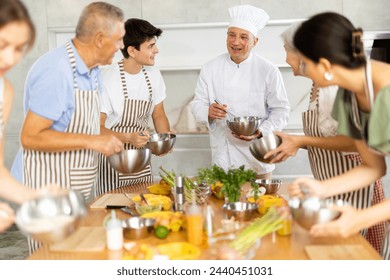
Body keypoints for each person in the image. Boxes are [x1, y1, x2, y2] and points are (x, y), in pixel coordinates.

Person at [10, 2, 124, 252]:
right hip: (47, 191)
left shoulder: (92, 71)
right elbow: (30, 137)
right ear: (99, 38)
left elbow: (86, 125)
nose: (121, 47)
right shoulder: (57, 71)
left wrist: (113, 139)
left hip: (74, 187)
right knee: (52, 262)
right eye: (118, 40)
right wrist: (92, 141)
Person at [264, 23, 385, 253]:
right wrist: (319, 189)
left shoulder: (381, 91)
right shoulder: (349, 95)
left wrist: (363, 218)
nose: (302, 70)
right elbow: (374, 167)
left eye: (306, 65)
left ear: (325, 64)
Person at [190, 5, 289, 178]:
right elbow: (198, 103)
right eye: (231, 35)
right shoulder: (210, 68)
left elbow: (281, 111)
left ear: (255, 41)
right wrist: (209, 112)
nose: (236, 42)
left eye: (243, 37)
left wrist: (261, 131)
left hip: (258, 158)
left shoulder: (268, 70)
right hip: (223, 160)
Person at [96, 18, 170, 196]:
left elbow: (158, 113)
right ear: (132, 50)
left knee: (145, 207)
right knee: (116, 213)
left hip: (141, 159)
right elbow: (96, 128)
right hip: (113, 161)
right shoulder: (107, 79)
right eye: (151, 46)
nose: (156, 50)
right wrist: (128, 137)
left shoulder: (153, 75)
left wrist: (164, 140)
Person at [0, 0, 48, 233]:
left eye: (19, 48)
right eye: (2, 45)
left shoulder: (4, 92)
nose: (10, 59)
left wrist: (35, 196)